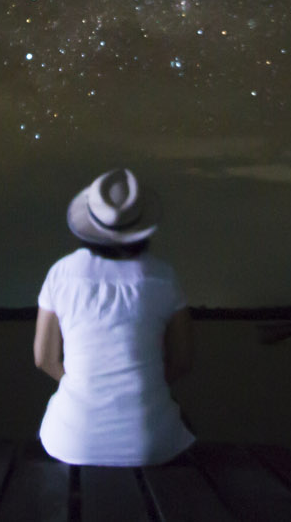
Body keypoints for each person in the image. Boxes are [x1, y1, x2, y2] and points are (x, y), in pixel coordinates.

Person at [32, 168, 195, 466]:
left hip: (71, 442)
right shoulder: (163, 277)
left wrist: (87, 384)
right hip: (150, 445)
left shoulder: (61, 274)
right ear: (142, 225)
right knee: (184, 424)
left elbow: (44, 358)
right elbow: (183, 360)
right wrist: (140, 388)